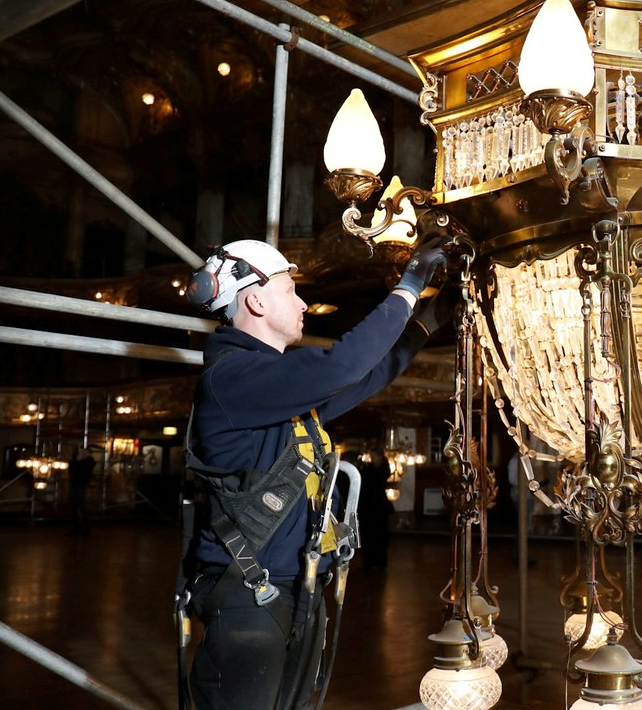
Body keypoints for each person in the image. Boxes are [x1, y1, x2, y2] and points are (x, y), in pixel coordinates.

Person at [178, 237, 456, 710]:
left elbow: (367, 373)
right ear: (257, 300)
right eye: (291, 291)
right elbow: (344, 362)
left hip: (291, 590)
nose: (304, 302)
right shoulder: (233, 380)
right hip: (248, 595)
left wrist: (435, 314)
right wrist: (410, 282)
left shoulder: (273, 386)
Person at [67, 446, 96, 535]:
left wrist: (77, 460)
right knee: (76, 505)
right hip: (77, 484)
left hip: (80, 484)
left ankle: (83, 526)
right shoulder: (85, 462)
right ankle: (81, 526)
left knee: (80, 504)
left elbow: (74, 467)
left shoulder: (88, 462)